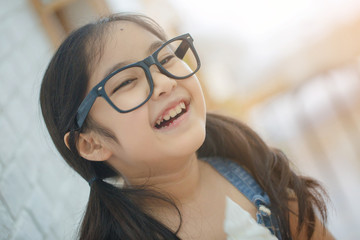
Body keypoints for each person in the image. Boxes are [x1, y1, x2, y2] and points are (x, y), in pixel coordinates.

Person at [40, 13, 334, 240]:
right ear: (92, 143)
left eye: (166, 57)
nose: (165, 82)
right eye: (127, 81)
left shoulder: (255, 167)